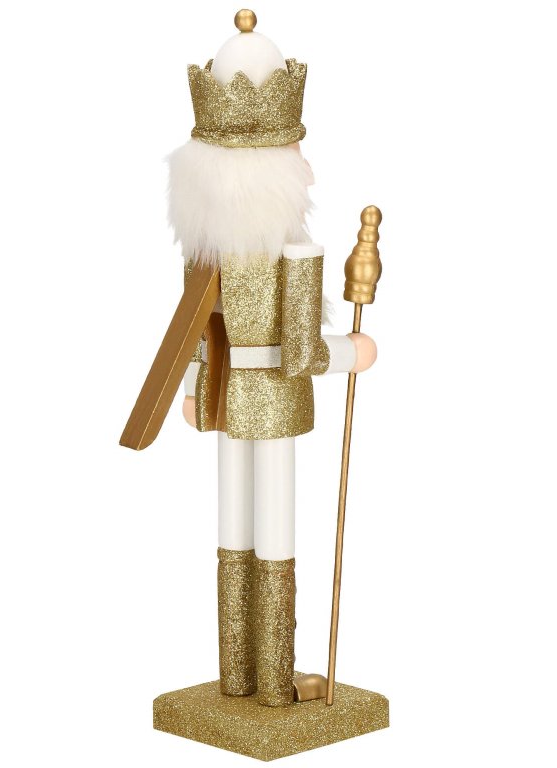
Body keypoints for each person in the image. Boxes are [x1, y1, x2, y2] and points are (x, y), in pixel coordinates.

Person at [163, 11, 377, 707]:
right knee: (274, 530)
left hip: (223, 393)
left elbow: (196, 328)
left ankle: (239, 675)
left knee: (234, 526)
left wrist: (193, 388)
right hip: (273, 398)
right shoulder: (294, 252)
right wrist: (354, 352)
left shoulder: (205, 250)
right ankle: (274, 687)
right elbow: (302, 350)